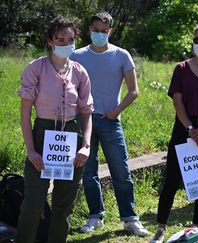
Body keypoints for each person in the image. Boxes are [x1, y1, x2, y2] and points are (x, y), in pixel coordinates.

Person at [150, 23, 198, 243]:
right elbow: (177, 101)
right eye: (197, 39)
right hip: (184, 128)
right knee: (172, 180)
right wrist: (191, 128)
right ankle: (160, 227)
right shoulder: (182, 68)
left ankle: (196, 227)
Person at [70, 12, 148, 236]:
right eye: (96, 30)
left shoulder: (121, 55)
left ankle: (130, 218)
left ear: (110, 31)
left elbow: (134, 91)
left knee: (121, 171)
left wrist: (116, 111)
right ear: (90, 29)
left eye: (104, 31)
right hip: (83, 121)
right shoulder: (77, 55)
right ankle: (96, 216)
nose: (100, 34)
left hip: (111, 120)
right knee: (88, 172)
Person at [16, 16, 93, 243]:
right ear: (50, 41)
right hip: (42, 134)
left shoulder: (80, 72)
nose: (65, 44)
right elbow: (25, 114)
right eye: (60, 39)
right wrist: (31, 151)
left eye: (70, 39)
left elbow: (87, 112)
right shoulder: (36, 68)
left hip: (72, 136)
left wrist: (86, 146)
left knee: (63, 206)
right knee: (33, 204)